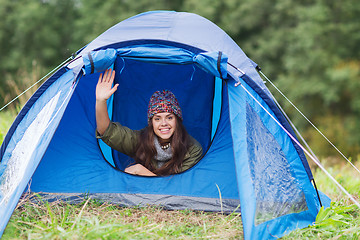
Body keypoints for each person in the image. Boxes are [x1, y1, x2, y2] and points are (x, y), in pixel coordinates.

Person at [95, 69, 203, 176]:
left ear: (177, 120)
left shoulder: (192, 149)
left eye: (169, 117)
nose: (164, 123)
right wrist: (101, 101)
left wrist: (141, 171)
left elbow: (181, 188)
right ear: (151, 123)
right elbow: (107, 131)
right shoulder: (141, 140)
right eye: (157, 119)